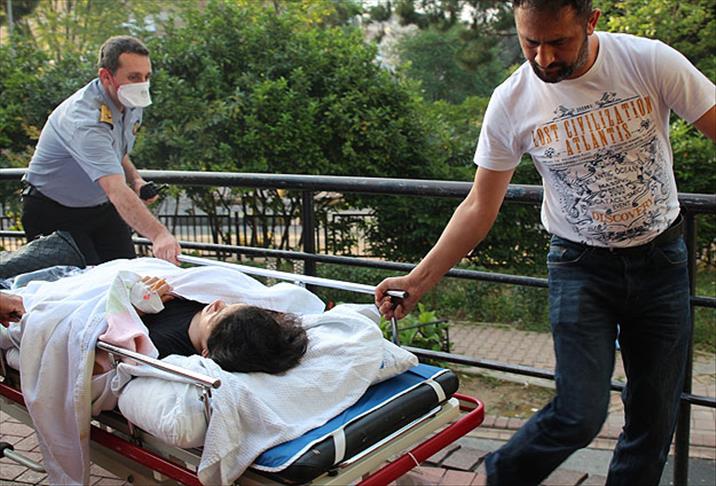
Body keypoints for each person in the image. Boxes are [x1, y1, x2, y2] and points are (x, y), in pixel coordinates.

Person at [375, 1, 715, 485]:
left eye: (558, 42)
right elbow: (479, 206)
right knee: (579, 412)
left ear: (591, 21)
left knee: (654, 417)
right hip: (580, 268)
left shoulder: (648, 60)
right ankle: (502, 477)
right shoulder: (511, 100)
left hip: (661, 260)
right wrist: (418, 280)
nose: (543, 58)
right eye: (530, 42)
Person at [21, 35, 180, 266]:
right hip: (53, 212)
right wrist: (159, 235)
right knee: (81, 284)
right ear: (106, 76)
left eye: (146, 77)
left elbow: (114, 150)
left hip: (100, 209)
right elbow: (115, 188)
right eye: (134, 77)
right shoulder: (85, 119)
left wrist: (135, 179)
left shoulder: (129, 100)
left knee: (126, 277)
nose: (142, 85)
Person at [138, 277, 309, 374]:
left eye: (218, 313)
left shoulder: (158, 345)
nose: (218, 302)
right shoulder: (202, 298)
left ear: (206, 354)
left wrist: (133, 309)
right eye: (229, 305)